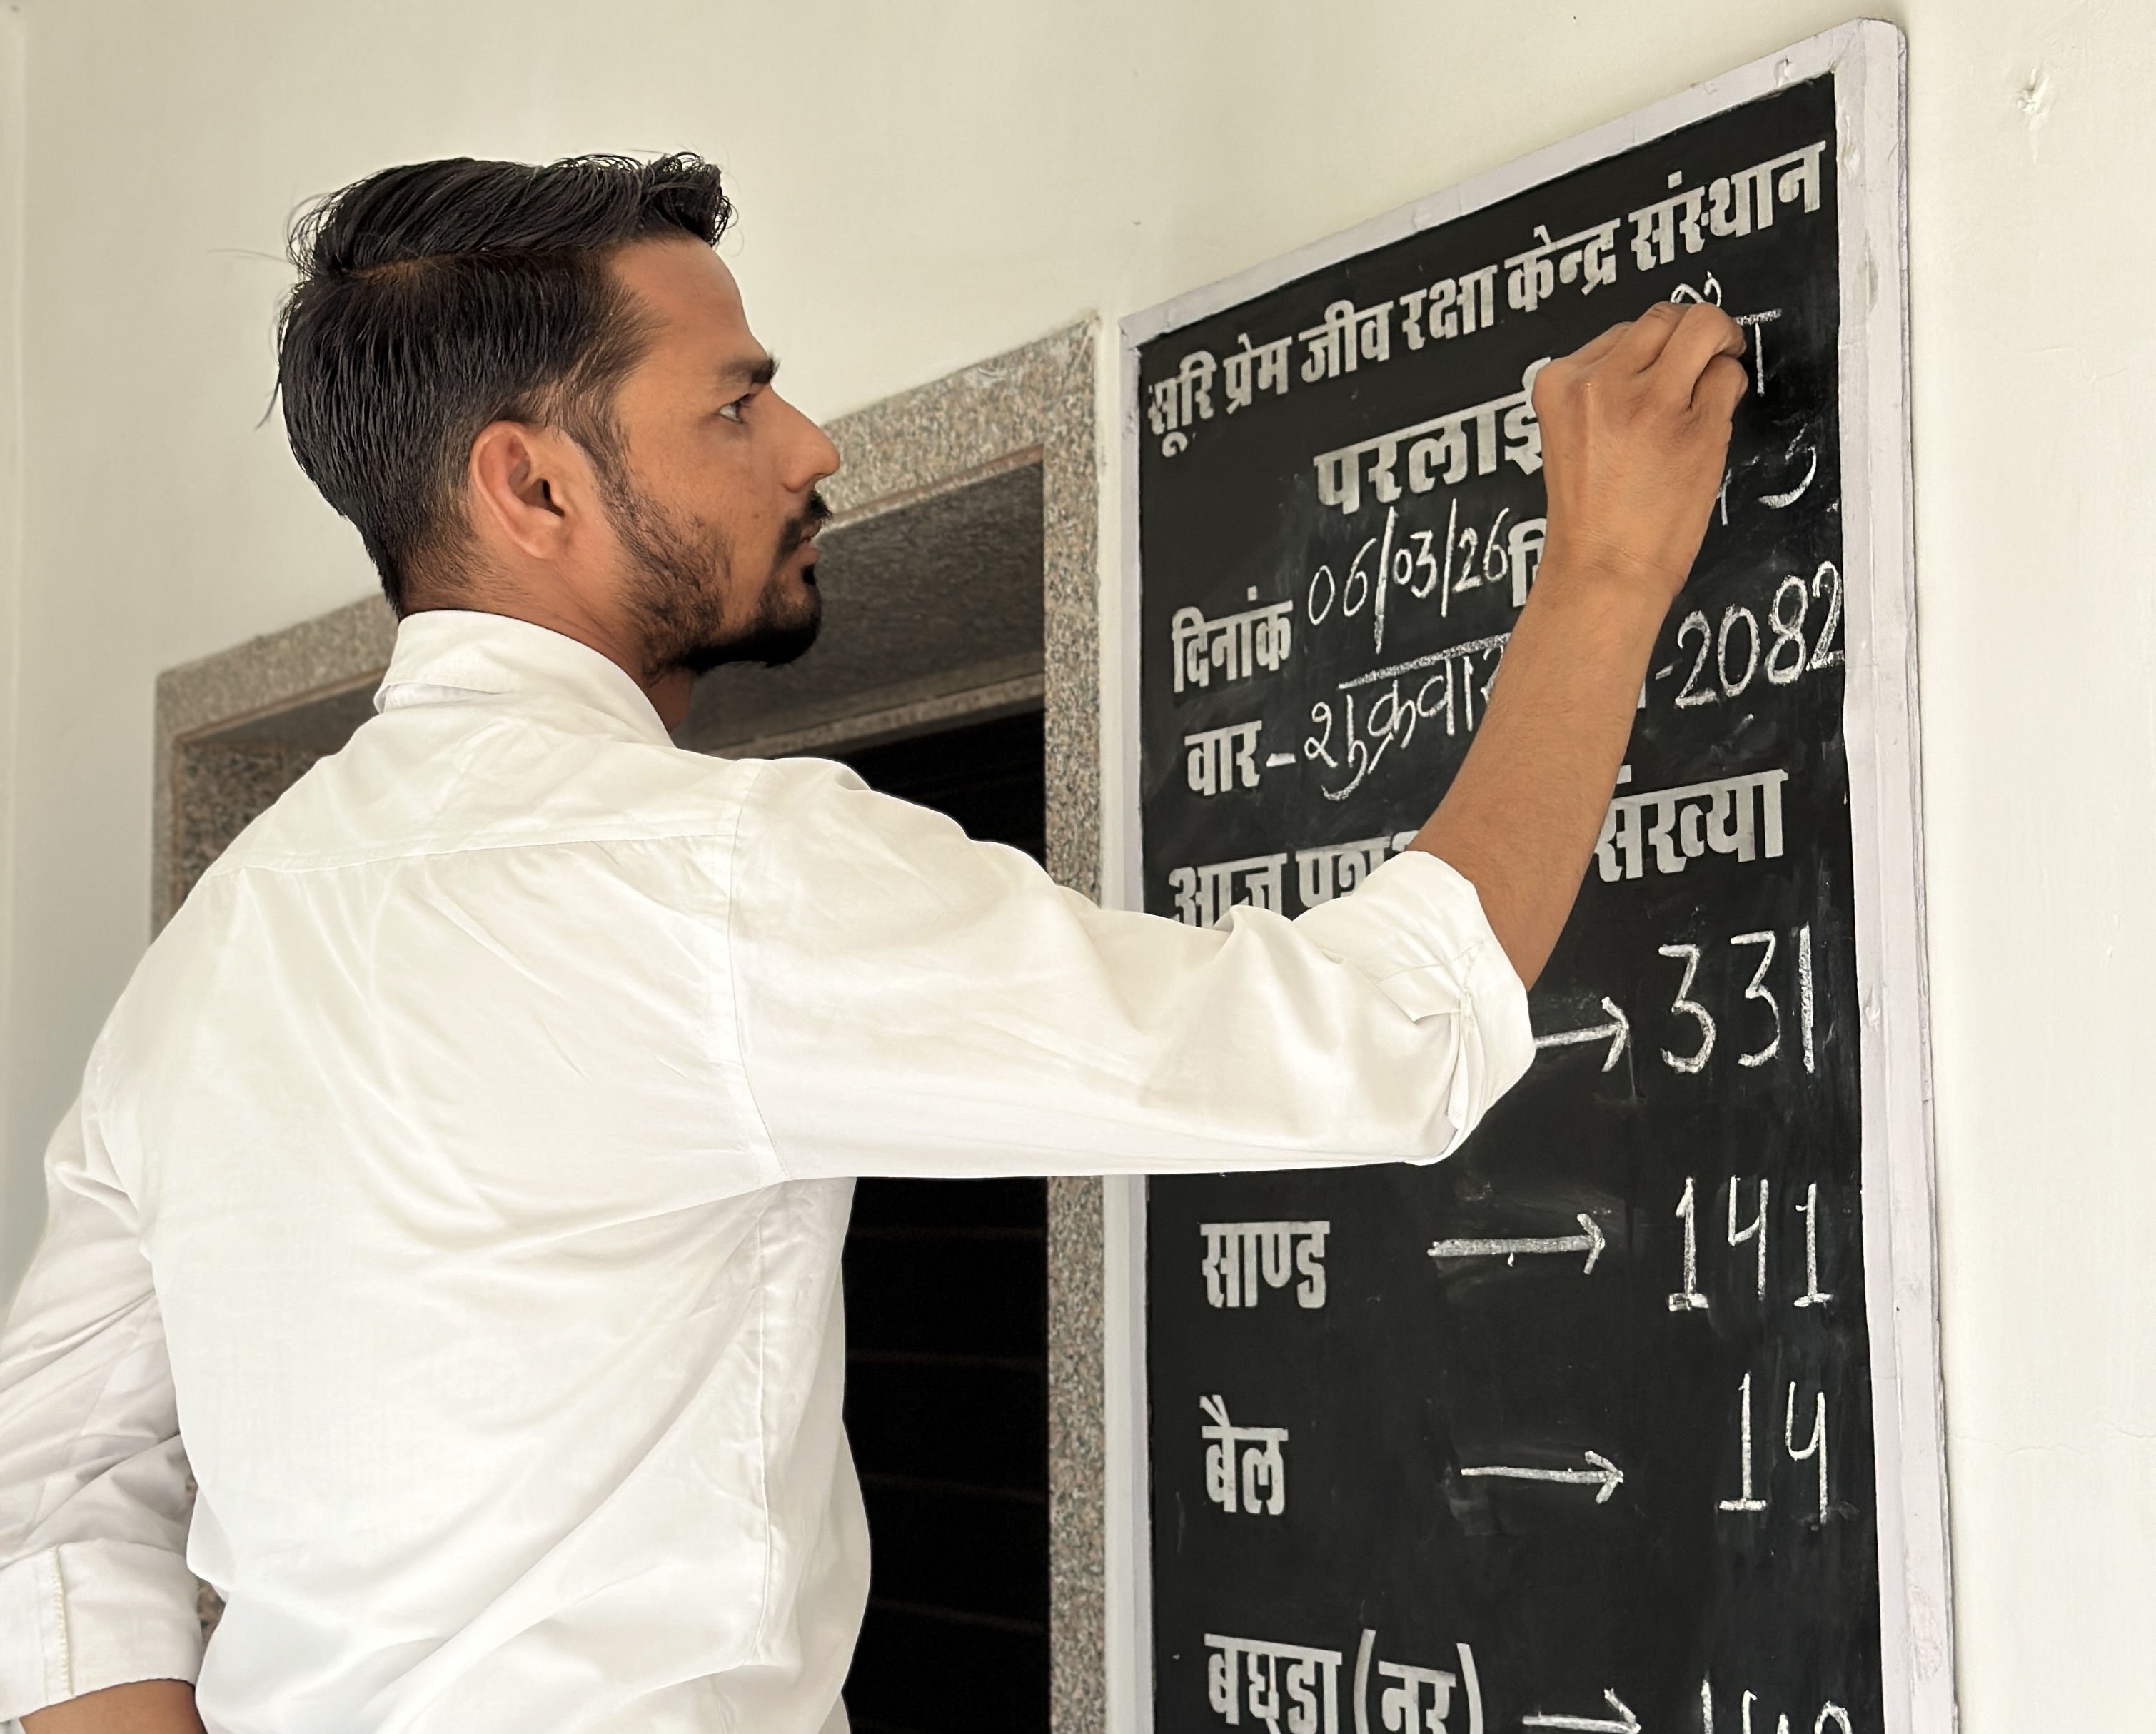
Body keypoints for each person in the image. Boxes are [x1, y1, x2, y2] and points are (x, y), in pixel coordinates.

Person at [0, 154, 1744, 1734]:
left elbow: (55, 1490)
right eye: (736, 402)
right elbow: (1385, 1032)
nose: (812, 442)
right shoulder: (712, 875)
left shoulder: (207, 963)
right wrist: (1599, 572)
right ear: (531, 484)